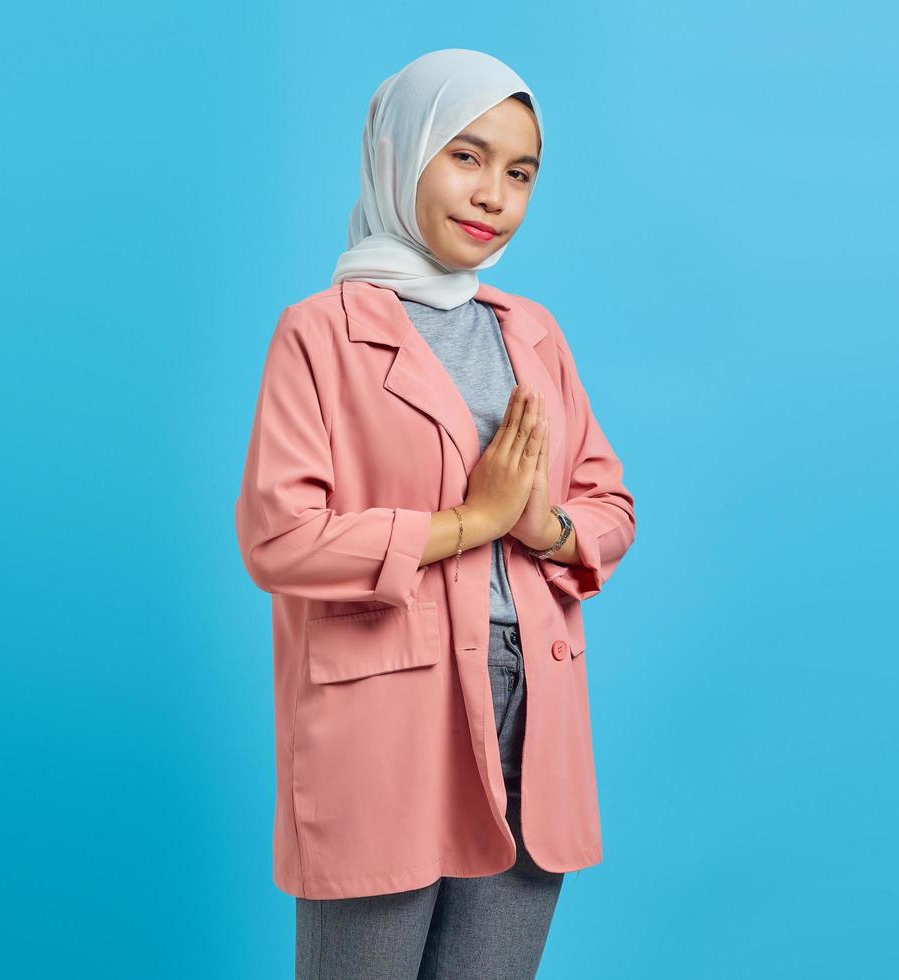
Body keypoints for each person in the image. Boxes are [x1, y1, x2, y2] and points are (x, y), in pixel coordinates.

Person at [233, 49, 637, 979]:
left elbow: (609, 502)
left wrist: (547, 530)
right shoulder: (321, 332)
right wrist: (468, 522)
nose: (493, 194)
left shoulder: (531, 330)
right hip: (390, 703)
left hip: (530, 703)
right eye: (467, 155)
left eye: (521, 172)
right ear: (400, 153)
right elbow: (280, 536)